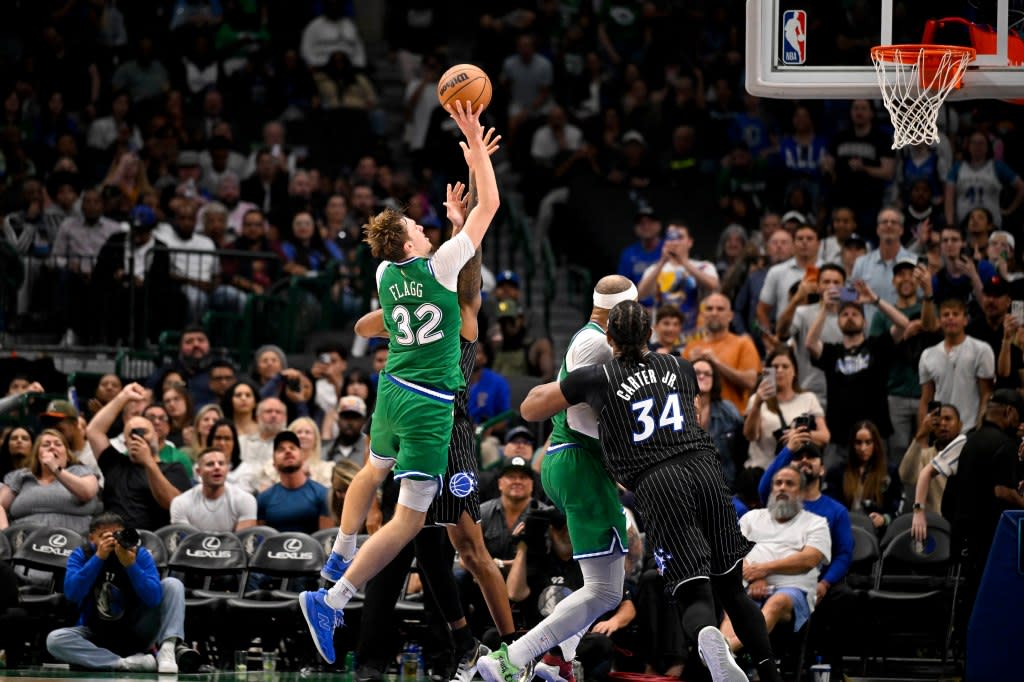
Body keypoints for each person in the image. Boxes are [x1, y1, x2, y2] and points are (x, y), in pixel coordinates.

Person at [300, 100, 502, 665]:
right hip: (429, 405)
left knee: (372, 469)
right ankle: (333, 598)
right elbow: (492, 203)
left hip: (389, 391)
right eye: (419, 226)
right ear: (414, 244)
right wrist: (477, 150)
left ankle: (339, 555)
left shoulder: (388, 272)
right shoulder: (438, 267)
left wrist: (454, 227)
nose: (425, 226)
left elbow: (413, 267)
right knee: (409, 521)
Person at [516, 300, 782, 682]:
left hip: (659, 481)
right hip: (705, 468)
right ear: (650, 334)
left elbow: (530, 409)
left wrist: (565, 381)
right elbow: (691, 414)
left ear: (608, 338)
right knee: (732, 588)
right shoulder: (681, 366)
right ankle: (771, 674)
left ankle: (709, 638)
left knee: (692, 590)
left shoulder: (597, 376)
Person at [483, 275, 639, 680]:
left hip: (574, 461)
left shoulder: (591, 338)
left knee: (601, 586)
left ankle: (559, 660)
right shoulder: (598, 344)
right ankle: (512, 659)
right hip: (579, 459)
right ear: (622, 312)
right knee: (606, 590)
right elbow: (587, 414)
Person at [46, 512, 199, 673]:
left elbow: (153, 598)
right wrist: (98, 558)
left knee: (172, 584)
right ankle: (123, 663)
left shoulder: (139, 554)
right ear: (92, 538)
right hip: (97, 632)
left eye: (116, 535)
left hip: (138, 630)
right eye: (104, 536)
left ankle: (167, 650)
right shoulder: (81, 555)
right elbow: (72, 594)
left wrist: (130, 565)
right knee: (55, 640)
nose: (112, 541)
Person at [719, 467, 830, 652]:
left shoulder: (816, 523)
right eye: (778, 483)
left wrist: (764, 570)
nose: (782, 488)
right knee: (733, 605)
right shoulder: (752, 518)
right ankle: (721, 658)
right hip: (749, 584)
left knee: (776, 602)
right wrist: (754, 577)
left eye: (789, 484)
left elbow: (809, 559)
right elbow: (730, 552)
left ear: (802, 492)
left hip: (793, 590)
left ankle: (726, 651)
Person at [85, 383, 192, 531]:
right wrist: (123, 396)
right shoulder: (115, 463)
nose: (138, 438)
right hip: (113, 541)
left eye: (143, 432)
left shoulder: (173, 468)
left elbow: (174, 505)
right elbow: (93, 431)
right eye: (132, 434)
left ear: (156, 435)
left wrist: (148, 461)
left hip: (154, 544)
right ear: (125, 441)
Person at [743, 347, 829, 471]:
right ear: (767, 371)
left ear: (795, 371)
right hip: (764, 470)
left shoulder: (808, 398)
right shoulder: (756, 400)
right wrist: (757, 404)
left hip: (797, 472)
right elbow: (750, 436)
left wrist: (798, 435)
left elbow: (824, 437)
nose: (779, 370)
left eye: (785, 366)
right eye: (775, 367)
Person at [0, 429, 101, 534]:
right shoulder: (22, 476)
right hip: (24, 543)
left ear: (67, 454)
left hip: (74, 543)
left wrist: (55, 468)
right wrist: (4, 536)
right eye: (45, 445)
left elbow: (87, 493)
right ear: (37, 454)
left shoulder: (81, 471)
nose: (52, 447)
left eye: (58, 444)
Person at [918, 297, 995, 432]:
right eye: (946, 315)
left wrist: (980, 428)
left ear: (965, 320)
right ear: (939, 321)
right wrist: (923, 435)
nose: (950, 318)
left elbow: (986, 394)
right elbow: (926, 399)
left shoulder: (981, 350)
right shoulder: (928, 355)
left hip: (970, 428)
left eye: (955, 314)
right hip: (940, 431)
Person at [637, 221, 720, 334]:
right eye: (670, 237)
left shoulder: (703, 266)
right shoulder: (655, 269)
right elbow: (641, 294)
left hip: (695, 337)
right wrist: (662, 262)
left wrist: (684, 262)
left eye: (679, 237)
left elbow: (713, 286)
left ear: (689, 242)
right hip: (662, 337)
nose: (675, 242)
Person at [682, 293, 761, 412]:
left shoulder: (743, 344)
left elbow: (751, 382)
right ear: (703, 315)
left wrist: (717, 363)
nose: (714, 313)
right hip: (695, 419)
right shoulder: (691, 347)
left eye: (720, 309)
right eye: (709, 309)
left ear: (730, 316)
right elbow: (679, 388)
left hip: (732, 420)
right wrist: (690, 365)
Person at [824, 421, 903, 533]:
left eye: (868, 442)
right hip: (844, 529)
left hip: (876, 532)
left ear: (875, 444)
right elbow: (829, 503)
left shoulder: (889, 471)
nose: (863, 448)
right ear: (852, 445)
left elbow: (897, 505)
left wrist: (884, 519)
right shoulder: (837, 472)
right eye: (858, 443)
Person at [256, 430, 332, 533]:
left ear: (302, 458)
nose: (288, 451)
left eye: (292, 448)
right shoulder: (263, 499)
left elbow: (326, 540)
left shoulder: (323, 494)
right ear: (273, 463)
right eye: (281, 449)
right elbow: (261, 540)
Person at [169, 447, 257, 532]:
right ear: (199, 472)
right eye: (210, 464)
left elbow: (243, 542)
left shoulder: (245, 500)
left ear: (227, 469)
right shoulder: (180, 503)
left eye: (221, 463)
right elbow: (184, 543)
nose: (217, 467)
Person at [906, 404, 966, 527]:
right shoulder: (925, 455)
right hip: (930, 523)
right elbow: (905, 476)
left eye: (948, 419)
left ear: (960, 425)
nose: (943, 424)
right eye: (938, 421)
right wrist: (921, 435)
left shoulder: (968, 451)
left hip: (957, 523)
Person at [694, 358, 745, 488]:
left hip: (726, 484)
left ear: (714, 379)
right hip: (690, 484)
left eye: (707, 373)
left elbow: (743, 448)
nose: (701, 376)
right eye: (697, 373)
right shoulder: (677, 410)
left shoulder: (728, 411)